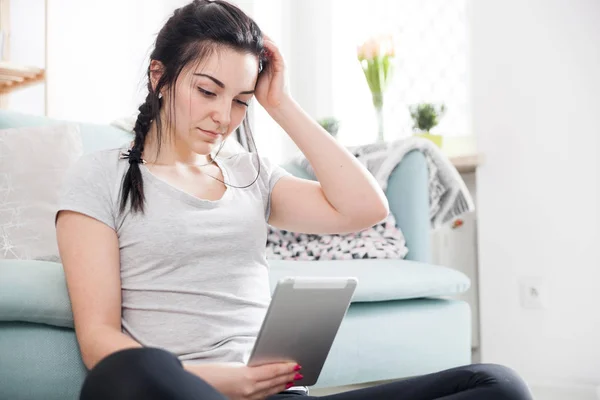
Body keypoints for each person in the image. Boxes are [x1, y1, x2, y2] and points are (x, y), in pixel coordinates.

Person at [55, 1, 533, 399]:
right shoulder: (101, 177)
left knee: (496, 384)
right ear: (159, 77)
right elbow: (99, 342)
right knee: (130, 374)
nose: (224, 116)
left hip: (280, 396)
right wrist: (228, 381)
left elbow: (364, 209)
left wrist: (279, 104)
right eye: (207, 91)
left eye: (241, 100)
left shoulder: (250, 172)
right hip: (186, 390)